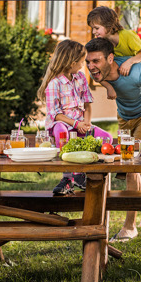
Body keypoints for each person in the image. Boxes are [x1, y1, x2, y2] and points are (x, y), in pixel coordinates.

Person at [85, 37, 141, 241]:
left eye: (96, 61)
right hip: (126, 115)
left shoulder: (136, 71)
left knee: (131, 162)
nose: (91, 66)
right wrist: (108, 87)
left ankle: (129, 227)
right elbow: (100, 77)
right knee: (127, 160)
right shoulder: (98, 73)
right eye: (88, 62)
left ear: (110, 58)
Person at [38, 39, 112, 195]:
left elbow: (87, 104)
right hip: (62, 123)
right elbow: (55, 114)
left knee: (106, 138)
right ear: (71, 62)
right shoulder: (54, 83)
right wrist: (75, 123)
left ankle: (88, 173)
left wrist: (86, 123)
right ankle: (70, 177)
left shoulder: (80, 78)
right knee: (61, 132)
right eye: (81, 61)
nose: (84, 64)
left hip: (79, 124)